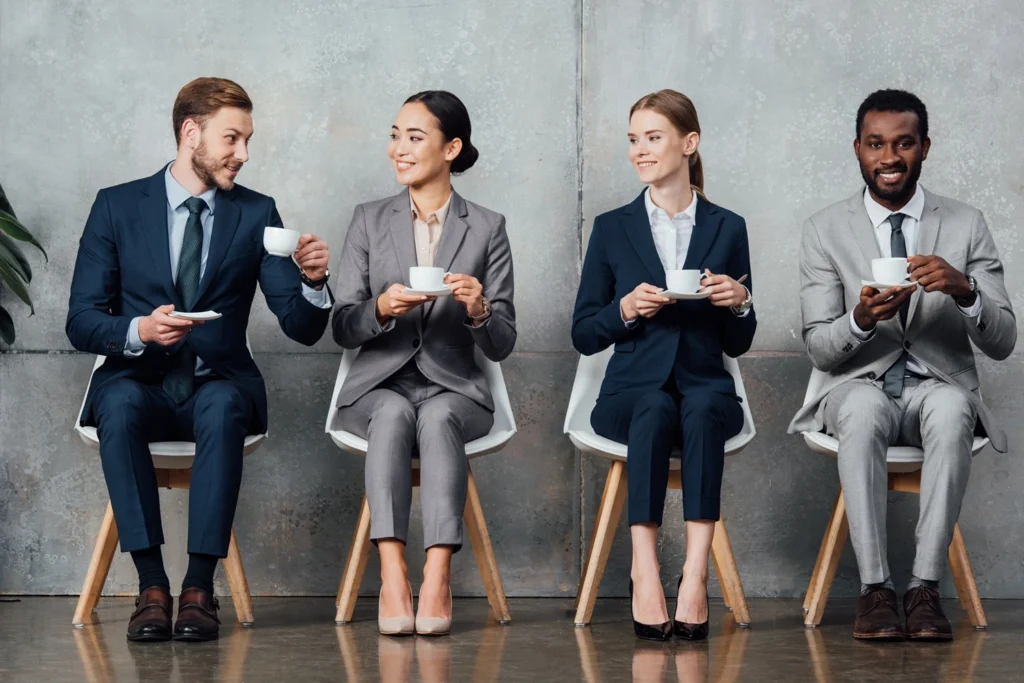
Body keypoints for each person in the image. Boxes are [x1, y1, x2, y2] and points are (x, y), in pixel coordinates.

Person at [66, 77, 333, 642]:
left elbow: (302, 327)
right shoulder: (116, 206)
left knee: (223, 406)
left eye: (247, 140)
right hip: (139, 378)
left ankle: (198, 588)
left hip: (217, 383)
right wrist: (140, 328)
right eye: (232, 139)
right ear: (191, 133)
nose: (244, 154)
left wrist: (314, 282)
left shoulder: (257, 212)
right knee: (116, 401)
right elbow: (81, 320)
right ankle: (151, 586)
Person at [789, 89, 1016, 641]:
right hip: (856, 384)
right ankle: (874, 590)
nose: (889, 157)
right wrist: (862, 318)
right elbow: (820, 347)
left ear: (924, 148)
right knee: (863, 409)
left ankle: (924, 590)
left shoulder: (965, 223)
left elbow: (1004, 340)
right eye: (875, 144)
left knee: (953, 406)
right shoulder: (825, 228)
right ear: (858, 150)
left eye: (903, 143)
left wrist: (965, 291)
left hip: (936, 385)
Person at [571, 89, 755, 641]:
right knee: (652, 407)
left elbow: (739, 343)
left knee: (699, 409)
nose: (640, 151)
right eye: (634, 140)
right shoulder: (612, 227)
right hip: (629, 392)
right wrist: (625, 309)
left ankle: (695, 574)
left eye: (653, 138)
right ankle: (645, 569)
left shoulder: (728, 226)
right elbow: (582, 332)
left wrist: (738, 302)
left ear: (688, 143)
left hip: (706, 385)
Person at [330, 90, 516, 636]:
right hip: (378, 383)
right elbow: (342, 324)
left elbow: (502, 341)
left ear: (451, 148)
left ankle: (436, 577)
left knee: (437, 417)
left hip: (455, 387)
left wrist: (480, 308)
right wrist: (381, 308)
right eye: (395, 135)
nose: (398, 149)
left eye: (414, 137)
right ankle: (392, 575)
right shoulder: (367, 220)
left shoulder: (486, 226)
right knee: (391, 415)